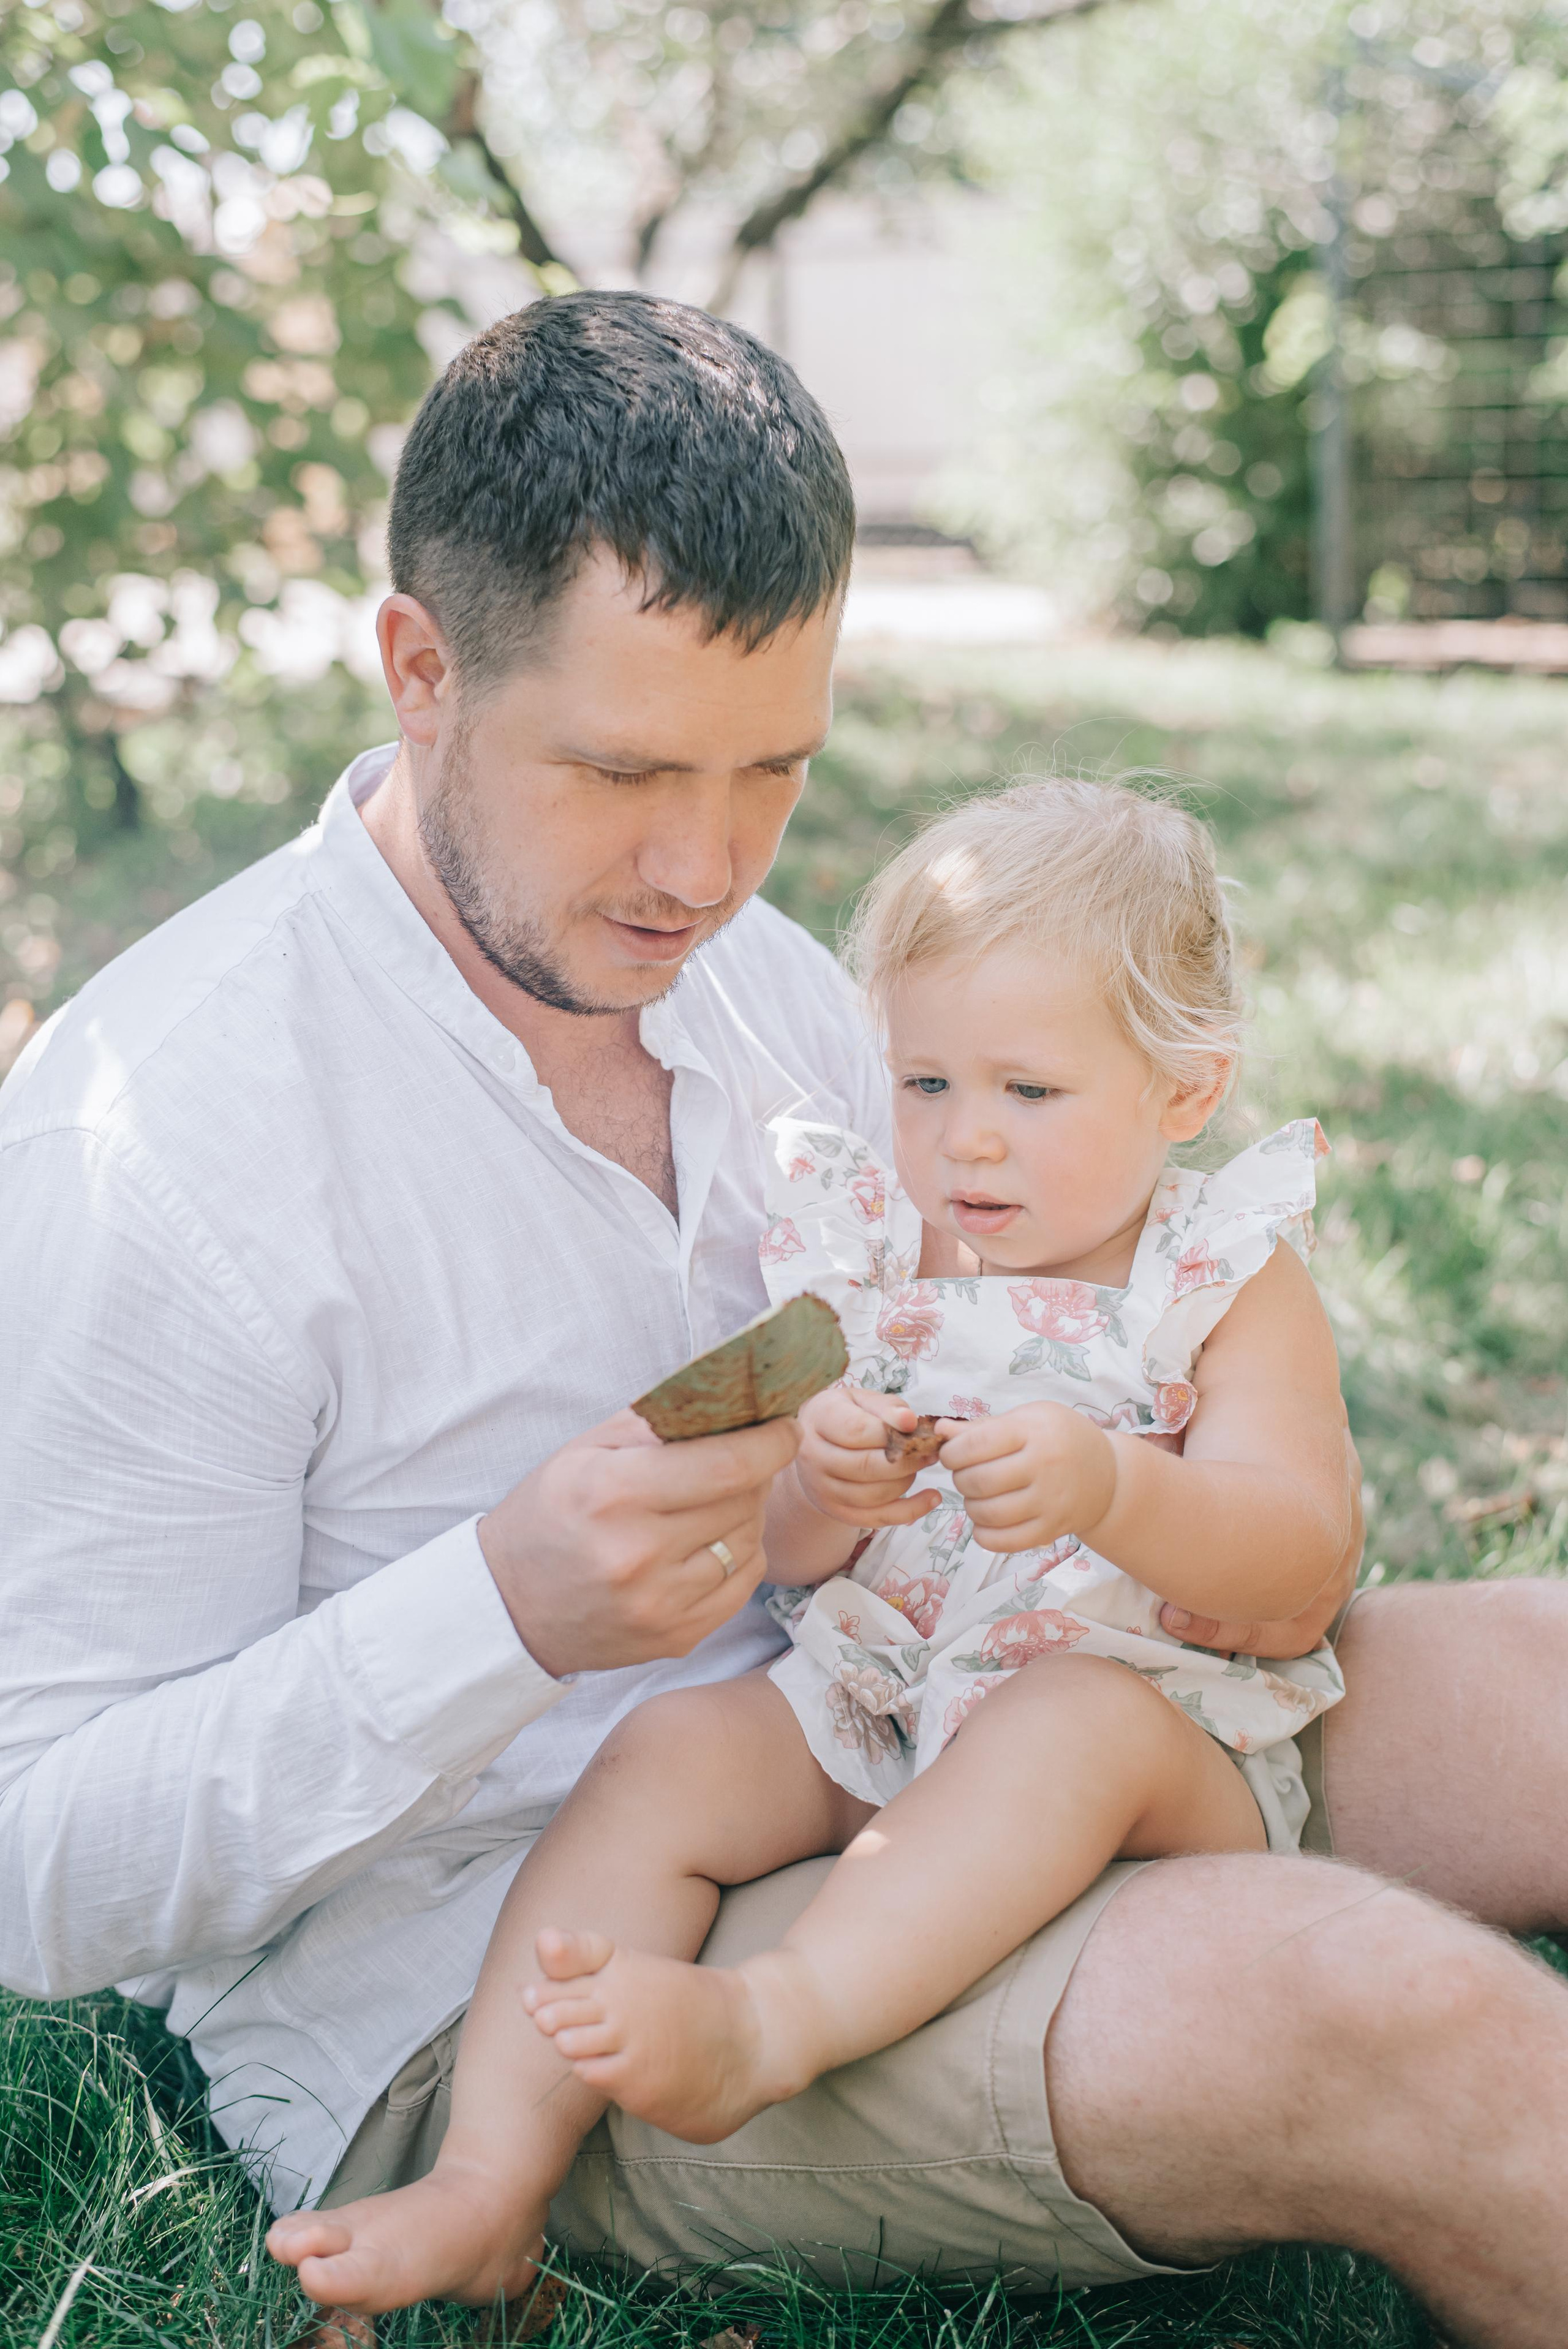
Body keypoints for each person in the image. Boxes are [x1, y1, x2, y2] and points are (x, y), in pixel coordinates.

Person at [1, 294, 1567, 2349]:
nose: (707, 869)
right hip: (526, 1974)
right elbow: (42, 1870)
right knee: (1410, 2026)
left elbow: (923, 1333)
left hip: (923, 1686)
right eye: (626, 769)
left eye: (776, 772)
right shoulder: (165, 1145)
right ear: (419, 673)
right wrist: (498, 1609)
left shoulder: (757, 993)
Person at [266, 777, 1352, 2316]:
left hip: (1149, 1743)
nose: (963, 1139)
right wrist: (825, 1482)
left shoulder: (1218, 1282)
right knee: (673, 1752)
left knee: (1064, 1723)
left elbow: (1292, 1550)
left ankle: (773, 2022)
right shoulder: (873, 1261)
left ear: (1182, 1092)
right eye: (921, 1085)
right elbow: (772, 1551)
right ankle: (486, 2177)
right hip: (889, 1697)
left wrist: (1116, 1489)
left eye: (1028, 1094)